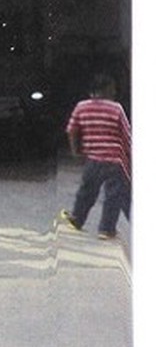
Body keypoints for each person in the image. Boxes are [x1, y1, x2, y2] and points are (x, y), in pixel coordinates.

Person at [60, 73, 132, 239]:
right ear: (106, 89)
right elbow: (127, 136)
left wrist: (74, 151)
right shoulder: (116, 108)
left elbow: (71, 129)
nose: (114, 92)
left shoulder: (81, 106)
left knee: (87, 191)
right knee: (113, 195)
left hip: (93, 159)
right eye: (113, 88)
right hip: (115, 160)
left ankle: (77, 220)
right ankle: (106, 230)